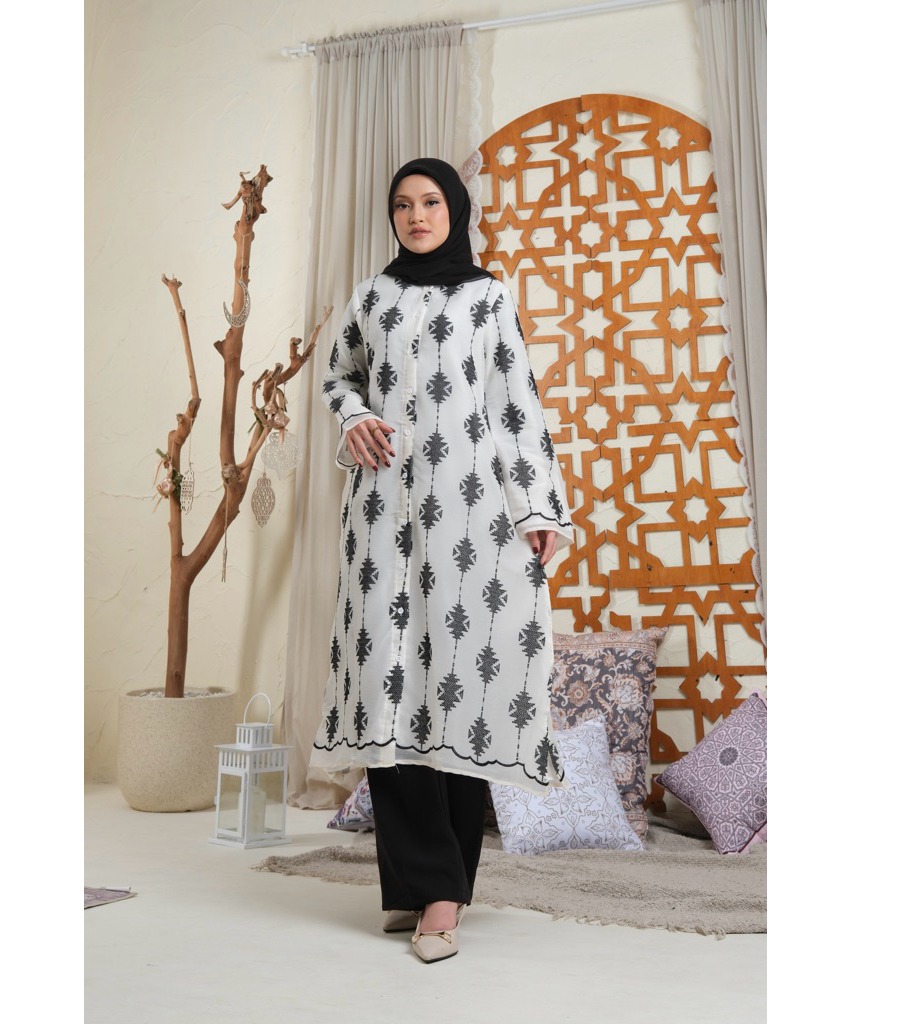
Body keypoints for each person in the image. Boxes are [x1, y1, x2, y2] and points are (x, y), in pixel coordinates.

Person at [309, 157, 576, 963]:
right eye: (403, 204)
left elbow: (515, 403)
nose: (416, 215)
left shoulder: (489, 297)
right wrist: (353, 416)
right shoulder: (372, 297)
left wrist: (537, 508)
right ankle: (418, 886)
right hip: (382, 516)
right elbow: (337, 377)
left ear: (455, 210)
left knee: (459, 692)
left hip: (472, 517)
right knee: (386, 695)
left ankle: (440, 894)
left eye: (430, 202)